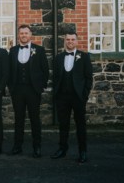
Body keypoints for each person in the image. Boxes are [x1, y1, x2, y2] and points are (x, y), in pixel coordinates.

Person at [51, 33, 93, 163]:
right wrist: (57, 93)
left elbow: (88, 78)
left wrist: (84, 95)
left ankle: (83, 151)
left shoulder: (84, 57)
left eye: (72, 39)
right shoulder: (58, 58)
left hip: (78, 97)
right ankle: (62, 149)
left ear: (77, 41)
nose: (70, 42)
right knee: (63, 124)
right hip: (62, 97)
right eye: (67, 40)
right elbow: (56, 77)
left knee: (80, 125)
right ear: (65, 41)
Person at [8, 24, 49, 158]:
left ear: (30, 34)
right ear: (18, 35)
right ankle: (17, 146)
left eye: (26, 33)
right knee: (18, 119)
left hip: (33, 90)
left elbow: (45, 70)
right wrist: (11, 87)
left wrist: (40, 87)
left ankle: (37, 147)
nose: (24, 35)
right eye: (21, 33)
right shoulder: (13, 50)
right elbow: (9, 70)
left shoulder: (39, 50)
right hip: (17, 90)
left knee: (34, 119)